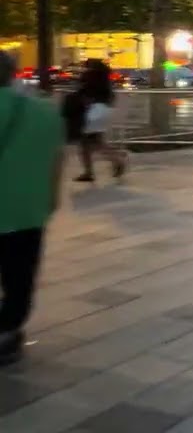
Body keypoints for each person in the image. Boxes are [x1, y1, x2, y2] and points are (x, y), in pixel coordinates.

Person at [0, 51, 65, 366]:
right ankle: (9, 329)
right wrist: (50, 198)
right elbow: (57, 158)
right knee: (20, 274)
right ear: (13, 73)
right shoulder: (44, 110)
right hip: (29, 208)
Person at [70, 60, 127, 183]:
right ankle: (94, 169)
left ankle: (115, 161)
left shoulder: (89, 77)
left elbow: (81, 93)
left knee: (89, 142)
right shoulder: (105, 79)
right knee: (93, 141)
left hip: (92, 111)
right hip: (104, 110)